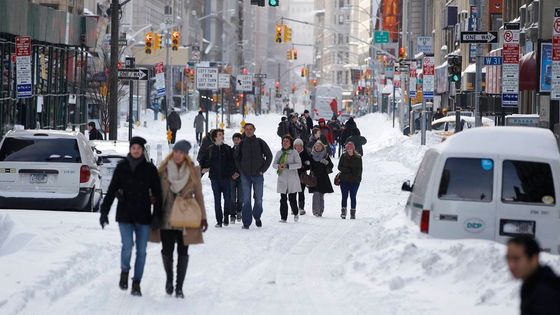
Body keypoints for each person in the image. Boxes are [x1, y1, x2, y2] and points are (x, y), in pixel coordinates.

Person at [99, 136, 162, 297]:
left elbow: (158, 194)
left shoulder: (150, 169)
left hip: (143, 216)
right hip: (125, 215)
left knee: (141, 251)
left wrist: (157, 216)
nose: (136, 150)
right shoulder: (122, 167)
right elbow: (112, 190)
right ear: (130, 149)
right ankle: (124, 271)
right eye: (133, 148)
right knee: (127, 246)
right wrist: (104, 212)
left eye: (138, 148)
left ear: (142, 151)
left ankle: (136, 282)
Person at [157, 140, 208, 298]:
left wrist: (203, 218)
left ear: (186, 154)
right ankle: (169, 280)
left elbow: (199, 195)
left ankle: (179, 286)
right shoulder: (164, 169)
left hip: (186, 215)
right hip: (166, 215)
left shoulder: (193, 171)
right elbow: (155, 191)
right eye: (176, 151)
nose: (178, 155)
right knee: (167, 250)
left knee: (183, 251)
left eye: (182, 152)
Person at [506, 236, 560, 315]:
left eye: (516, 259)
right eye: (508, 258)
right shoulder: (531, 284)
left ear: (534, 259)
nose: (511, 265)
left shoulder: (546, 293)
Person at [233, 123, 273, 229]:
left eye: (250, 129)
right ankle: (246, 222)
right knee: (246, 199)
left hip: (258, 175)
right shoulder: (241, 144)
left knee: (258, 198)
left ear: (254, 130)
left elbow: (269, 155)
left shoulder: (260, 142)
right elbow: (236, 158)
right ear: (244, 131)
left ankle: (257, 216)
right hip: (245, 175)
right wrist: (241, 170)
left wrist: (263, 170)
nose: (249, 131)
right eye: (246, 129)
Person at [200, 129, 235, 227]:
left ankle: (226, 216)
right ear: (215, 137)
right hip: (214, 178)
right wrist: (203, 169)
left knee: (228, 199)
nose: (222, 136)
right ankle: (219, 221)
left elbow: (232, 162)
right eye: (220, 134)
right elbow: (203, 160)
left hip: (226, 178)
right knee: (217, 200)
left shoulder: (227, 148)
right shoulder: (210, 149)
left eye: (222, 134)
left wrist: (233, 172)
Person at [273, 135, 302, 223]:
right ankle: (283, 217)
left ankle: (296, 212)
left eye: (287, 141)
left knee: (292, 199)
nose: (285, 143)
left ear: (290, 143)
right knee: (283, 199)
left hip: (292, 178)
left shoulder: (294, 153)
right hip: (282, 178)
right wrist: (279, 166)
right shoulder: (279, 153)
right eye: (283, 141)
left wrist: (288, 166)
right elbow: (274, 164)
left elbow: (299, 164)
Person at [337, 141, 362, 219]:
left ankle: (353, 213)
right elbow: (339, 167)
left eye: (351, 148)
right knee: (344, 196)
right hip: (344, 180)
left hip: (354, 181)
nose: (349, 150)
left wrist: (356, 177)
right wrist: (348, 170)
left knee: (353, 196)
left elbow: (359, 170)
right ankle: (343, 212)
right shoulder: (343, 156)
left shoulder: (358, 158)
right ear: (346, 149)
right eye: (348, 148)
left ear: (353, 149)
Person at [308, 141, 333, 217]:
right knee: (316, 194)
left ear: (322, 147)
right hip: (314, 177)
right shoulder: (311, 155)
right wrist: (307, 163)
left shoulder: (325, 155)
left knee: (321, 194)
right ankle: (315, 211)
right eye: (316, 146)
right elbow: (308, 165)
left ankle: (320, 211)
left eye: (319, 146)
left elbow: (331, 165)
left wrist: (325, 162)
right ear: (314, 147)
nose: (317, 147)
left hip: (323, 178)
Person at [294, 138, 311, 215]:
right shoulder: (292, 153)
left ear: (302, 146)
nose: (298, 147)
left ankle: (301, 207)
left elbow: (309, 165)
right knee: (293, 192)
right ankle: (293, 207)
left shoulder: (305, 153)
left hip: (302, 175)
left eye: (299, 145)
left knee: (301, 191)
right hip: (293, 175)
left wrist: (303, 166)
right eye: (296, 146)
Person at [230, 133, 243, 222]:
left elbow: (245, 164)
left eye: (238, 139)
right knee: (232, 197)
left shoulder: (244, 151)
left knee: (241, 197)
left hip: (242, 177)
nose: (236, 141)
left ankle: (239, 211)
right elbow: (227, 164)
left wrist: (239, 173)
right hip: (231, 177)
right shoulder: (230, 151)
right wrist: (232, 173)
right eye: (235, 139)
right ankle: (232, 214)